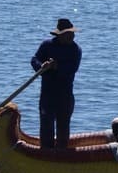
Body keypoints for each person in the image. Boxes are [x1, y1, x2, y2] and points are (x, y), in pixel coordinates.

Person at [31, 18, 82, 149]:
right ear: (60, 35)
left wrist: (56, 67)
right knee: (46, 127)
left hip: (65, 95)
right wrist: (41, 65)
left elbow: (71, 69)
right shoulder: (47, 46)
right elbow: (34, 60)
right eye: (68, 34)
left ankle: (61, 156)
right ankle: (46, 154)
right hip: (47, 95)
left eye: (72, 34)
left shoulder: (75, 50)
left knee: (63, 128)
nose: (72, 36)